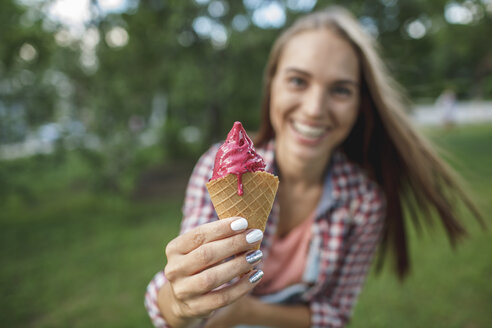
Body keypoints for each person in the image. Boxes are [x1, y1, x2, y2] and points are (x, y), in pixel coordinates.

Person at [145, 6, 483, 328]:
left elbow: (334, 315)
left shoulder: (363, 202)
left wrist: (247, 312)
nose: (314, 109)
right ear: (272, 85)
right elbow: (183, 298)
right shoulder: (219, 171)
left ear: (359, 105)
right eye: (298, 81)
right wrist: (179, 304)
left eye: (340, 90)